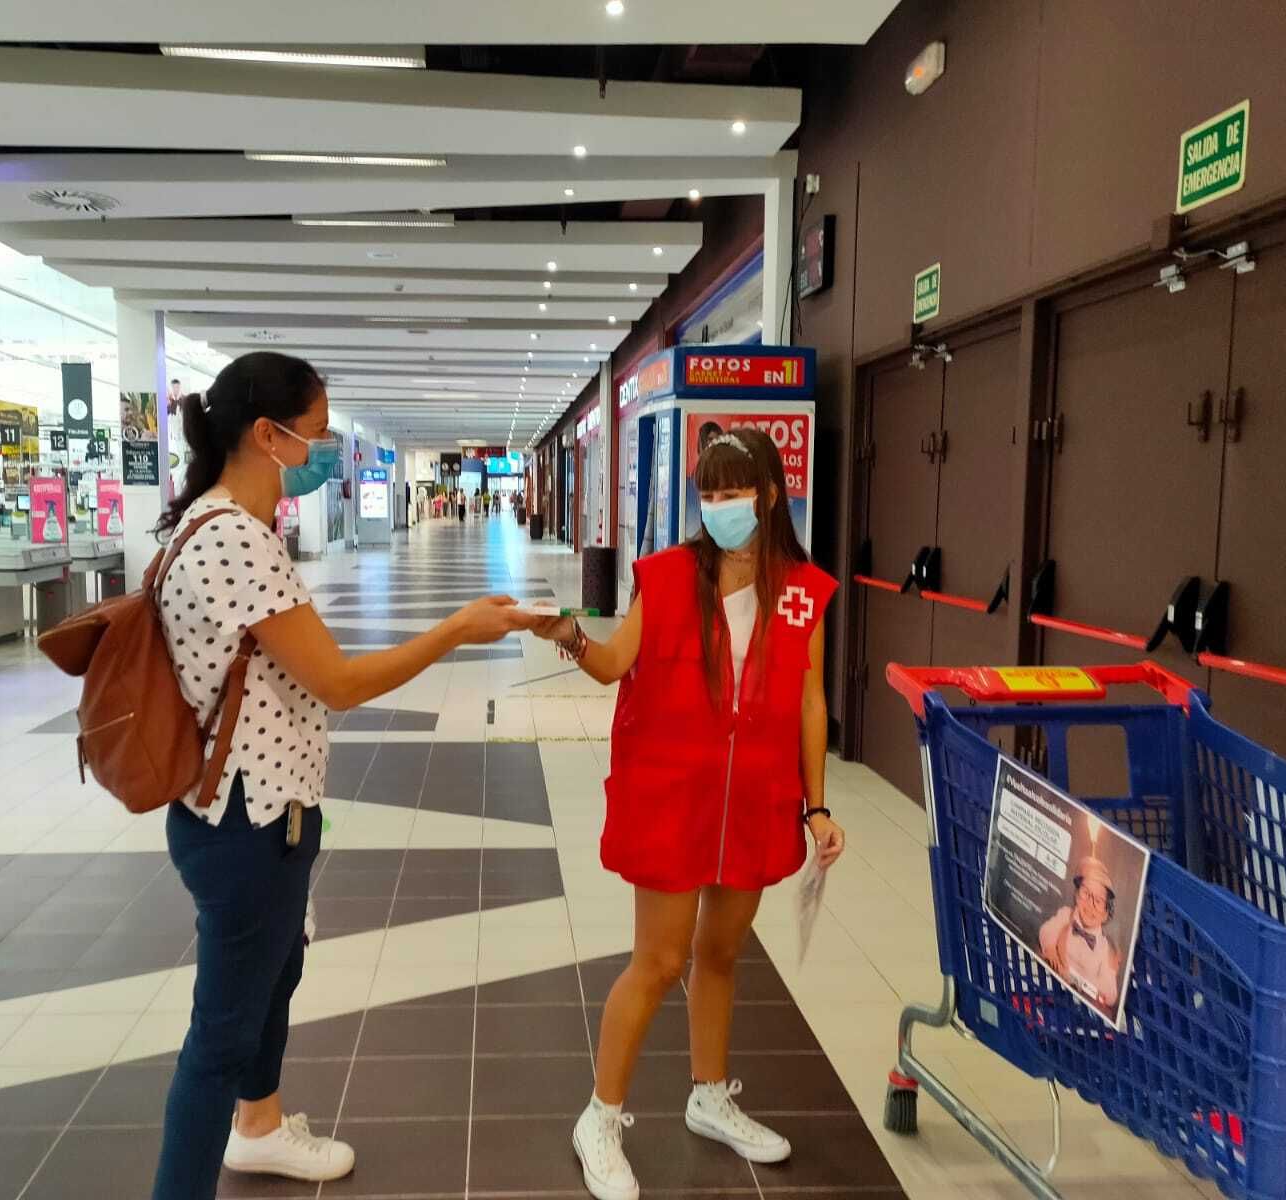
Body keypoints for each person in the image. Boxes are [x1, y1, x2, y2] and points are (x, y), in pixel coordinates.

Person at [150, 351, 536, 1200]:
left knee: (275, 975)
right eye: (317, 436)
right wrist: (455, 630)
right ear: (267, 435)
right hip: (244, 823)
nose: (327, 453)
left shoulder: (227, 528)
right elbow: (340, 682)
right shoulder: (233, 541)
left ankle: (257, 1129)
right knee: (219, 1034)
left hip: (263, 809)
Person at [533, 428, 844, 1200]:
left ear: (770, 495)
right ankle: (599, 1117)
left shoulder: (803, 588)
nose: (720, 506)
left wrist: (818, 807)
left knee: (722, 956)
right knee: (660, 961)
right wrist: (569, 633)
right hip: (674, 800)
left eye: (734, 491)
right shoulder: (667, 577)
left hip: (756, 803)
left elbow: (810, 700)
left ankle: (709, 1095)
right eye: (709, 492)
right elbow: (612, 665)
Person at [1038, 855, 1122, 1013]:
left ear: (1106, 913)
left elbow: (1110, 993)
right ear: (1076, 896)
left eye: (1098, 901)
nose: (1090, 904)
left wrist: (1080, 981)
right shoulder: (1066, 915)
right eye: (1085, 893)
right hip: (1052, 989)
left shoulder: (1105, 948)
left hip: (1083, 1005)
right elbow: (1046, 930)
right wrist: (1050, 948)